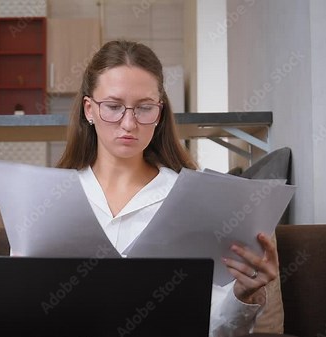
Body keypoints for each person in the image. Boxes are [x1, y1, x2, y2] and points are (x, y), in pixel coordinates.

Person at [57, 40, 279, 336]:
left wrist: (243, 295)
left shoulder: (193, 200)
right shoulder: (52, 196)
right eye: (113, 107)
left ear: (159, 113)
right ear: (89, 109)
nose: (128, 123)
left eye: (144, 108)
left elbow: (216, 328)